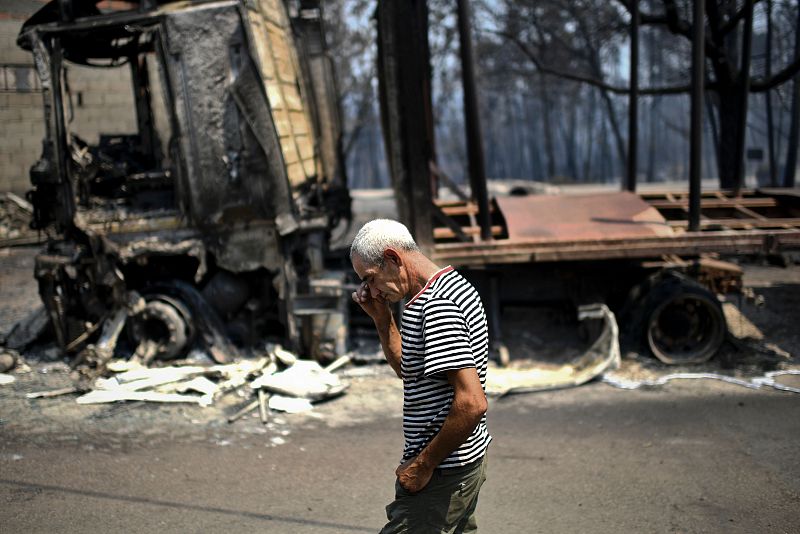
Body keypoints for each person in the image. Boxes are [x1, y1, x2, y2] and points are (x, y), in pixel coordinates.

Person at [349, 219, 491, 533]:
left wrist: (422, 465)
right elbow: (410, 370)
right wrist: (382, 318)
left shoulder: (437, 306)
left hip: (443, 470)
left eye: (371, 279)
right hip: (458, 465)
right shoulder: (439, 289)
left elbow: (472, 403)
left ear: (393, 258)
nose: (372, 290)